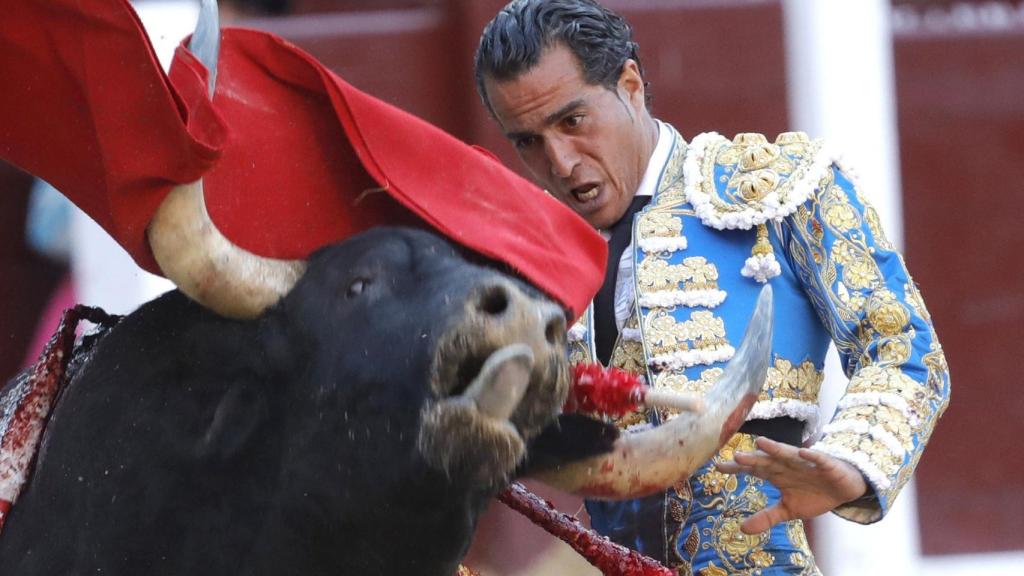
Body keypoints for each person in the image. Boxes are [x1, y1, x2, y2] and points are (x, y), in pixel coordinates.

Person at [474, 0, 950, 573]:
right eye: (527, 141)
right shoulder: (522, 257)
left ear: (630, 85)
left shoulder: (776, 192)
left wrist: (851, 463)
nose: (560, 161)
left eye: (572, 121)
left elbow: (902, 347)